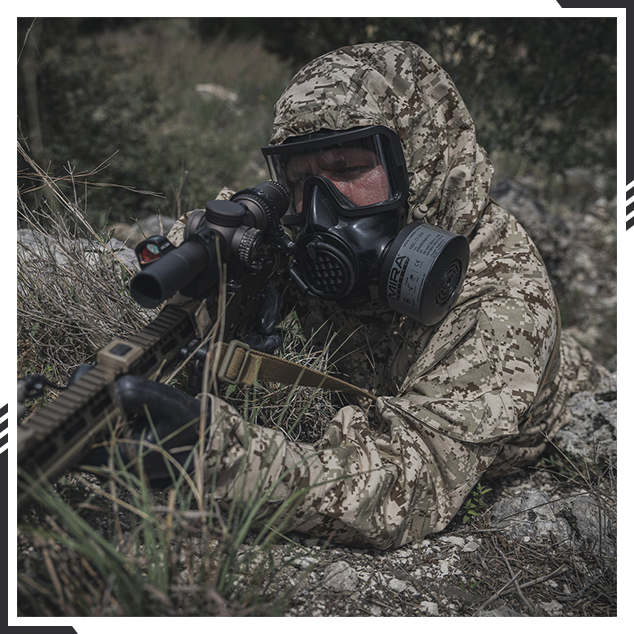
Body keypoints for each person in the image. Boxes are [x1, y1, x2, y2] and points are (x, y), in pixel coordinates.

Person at [93, 41, 603, 549]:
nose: (320, 207)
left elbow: (411, 478)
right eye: (301, 178)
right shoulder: (305, 225)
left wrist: (218, 456)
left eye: (350, 171)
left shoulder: (503, 296)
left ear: (419, 163)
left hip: (563, 401)